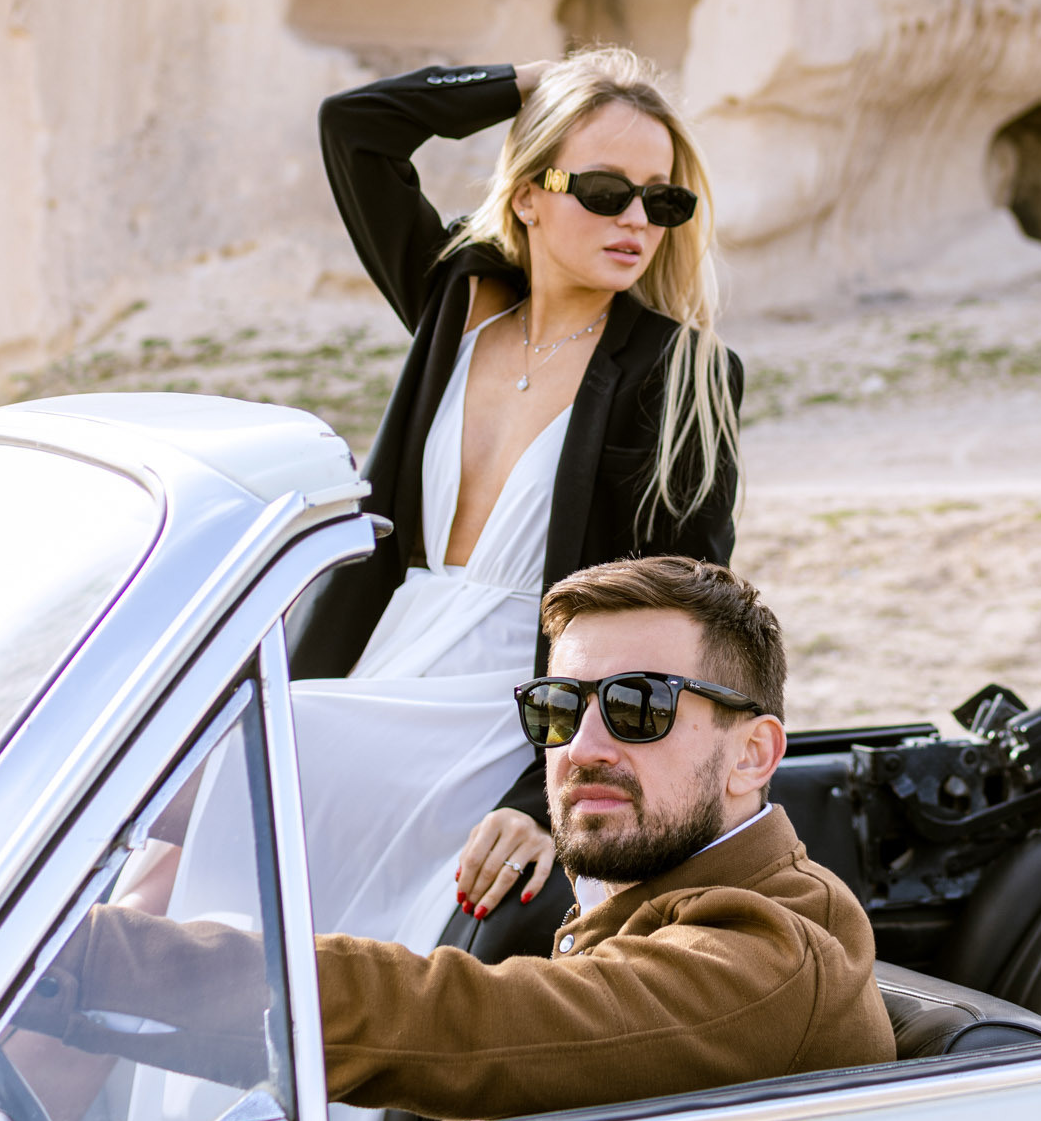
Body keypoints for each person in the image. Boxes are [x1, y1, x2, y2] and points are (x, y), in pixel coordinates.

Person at [29, 559, 895, 1121]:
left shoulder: (765, 958)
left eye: (639, 706)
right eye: (558, 709)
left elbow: (464, 1020)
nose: (584, 746)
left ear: (754, 754)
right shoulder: (644, 903)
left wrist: (71, 952)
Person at [282, 52, 743, 959]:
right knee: (200, 837)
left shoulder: (682, 375)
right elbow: (355, 129)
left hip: (518, 711)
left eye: (663, 200)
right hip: (379, 666)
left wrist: (541, 803)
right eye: (606, 189)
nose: (637, 220)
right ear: (528, 194)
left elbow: (676, 617)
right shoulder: (456, 295)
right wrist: (526, 82)